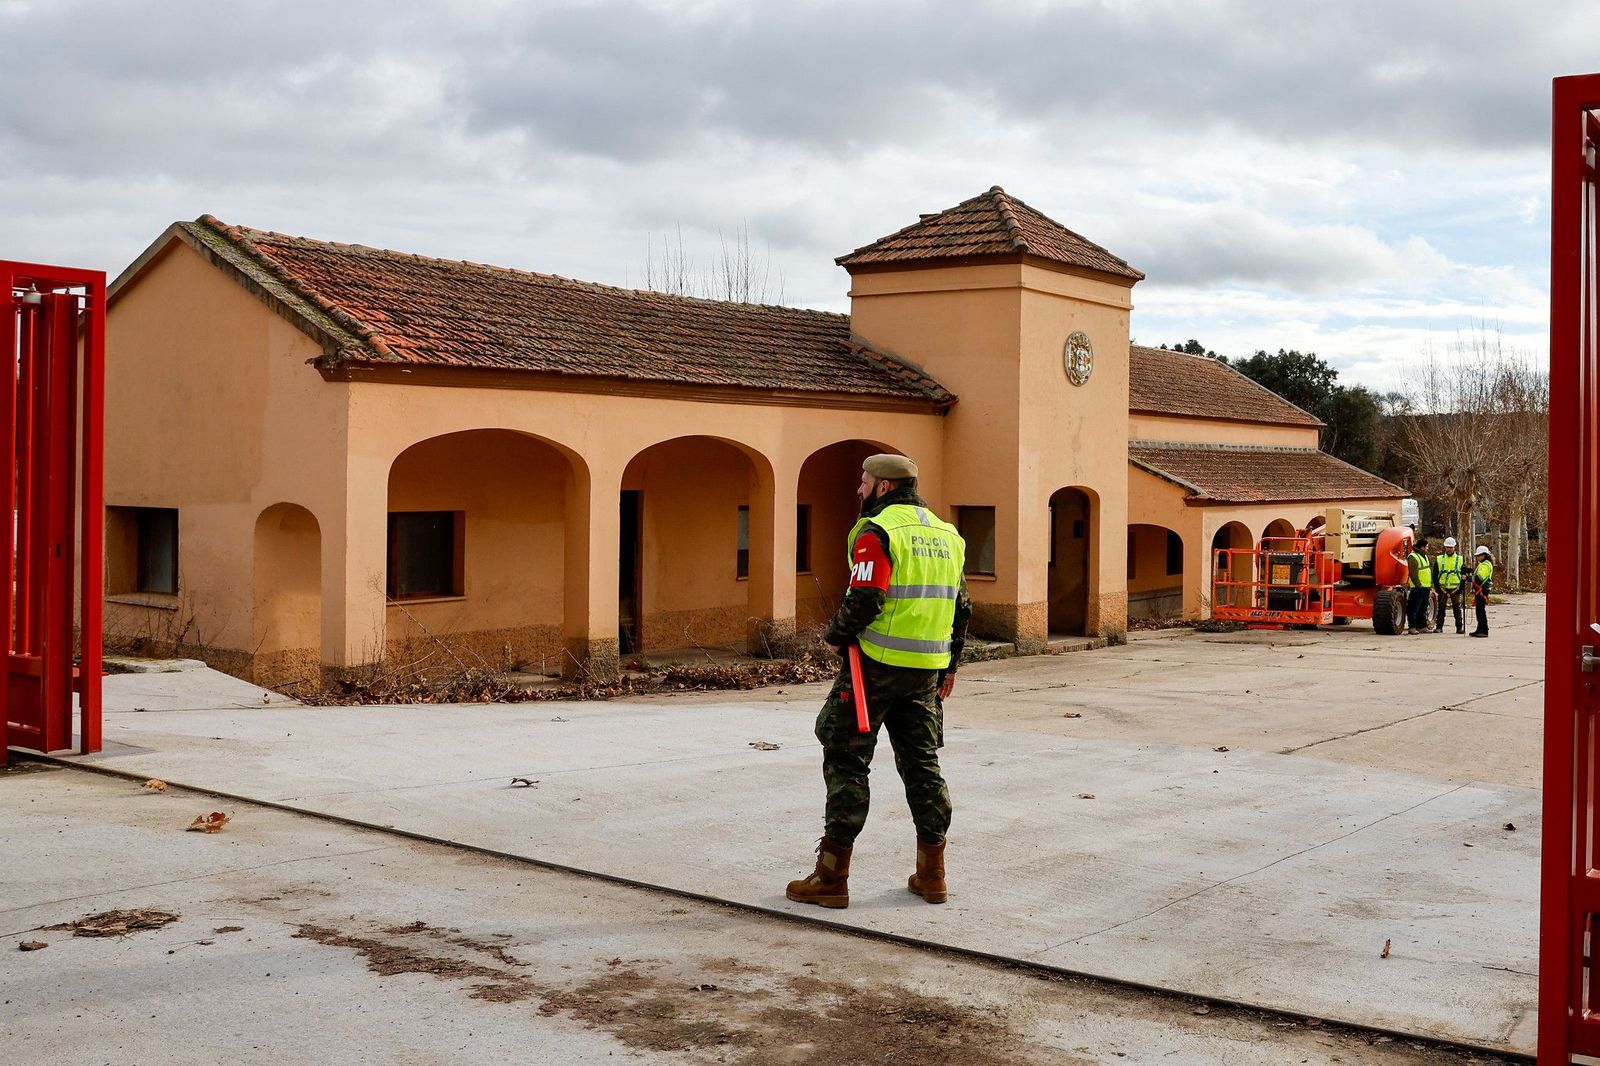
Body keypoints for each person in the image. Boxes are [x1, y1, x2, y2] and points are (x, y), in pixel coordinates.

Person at [786, 453, 971, 910]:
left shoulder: (878, 531)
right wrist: (949, 666)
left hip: (873, 669)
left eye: (863, 482)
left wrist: (834, 636)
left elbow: (866, 596)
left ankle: (832, 878)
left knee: (846, 761)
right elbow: (961, 606)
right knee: (922, 765)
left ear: (883, 488)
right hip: (925, 671)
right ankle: (932, 875)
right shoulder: (948, 534)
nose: (858, 490)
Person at [1433, 537, 1466, 634]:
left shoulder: (1460, 559)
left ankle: (1459, 627)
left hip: (1455, 589)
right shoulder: (1439, 559)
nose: (1449, 549)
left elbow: (1463, 574)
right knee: (1441, 609)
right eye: (1447, 547)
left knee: (1457, 609)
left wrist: (1462, 587)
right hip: (1442, 588)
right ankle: (1439, 627)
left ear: (1454, 547)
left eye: (1451, 547)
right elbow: (1435, 574)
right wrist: (1437, 587)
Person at [1405, 536, 1433, 634]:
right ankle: (1412, 626)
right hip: (1417, 587)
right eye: (1426, 547)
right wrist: (1418, 584)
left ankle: (1422, 626)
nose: (1427, 549)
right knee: (1414, 608)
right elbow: (1413, 573)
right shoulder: (1413, 557)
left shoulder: (1423, 555)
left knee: (1423, 608)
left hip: (1425, 586)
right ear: (1422, 547)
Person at [1469, 545, 1495, 637]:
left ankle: (1483, 630)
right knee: (1479, 610)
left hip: (1482, 590)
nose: (1477, 557)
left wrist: (1469, 578)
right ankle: (1480, 629)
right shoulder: (1483, 564)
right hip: (1480, 590)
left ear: (1483, 555)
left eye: (1478, 555)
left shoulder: (1485, 565)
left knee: (1480, 611)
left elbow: (1479, 578)